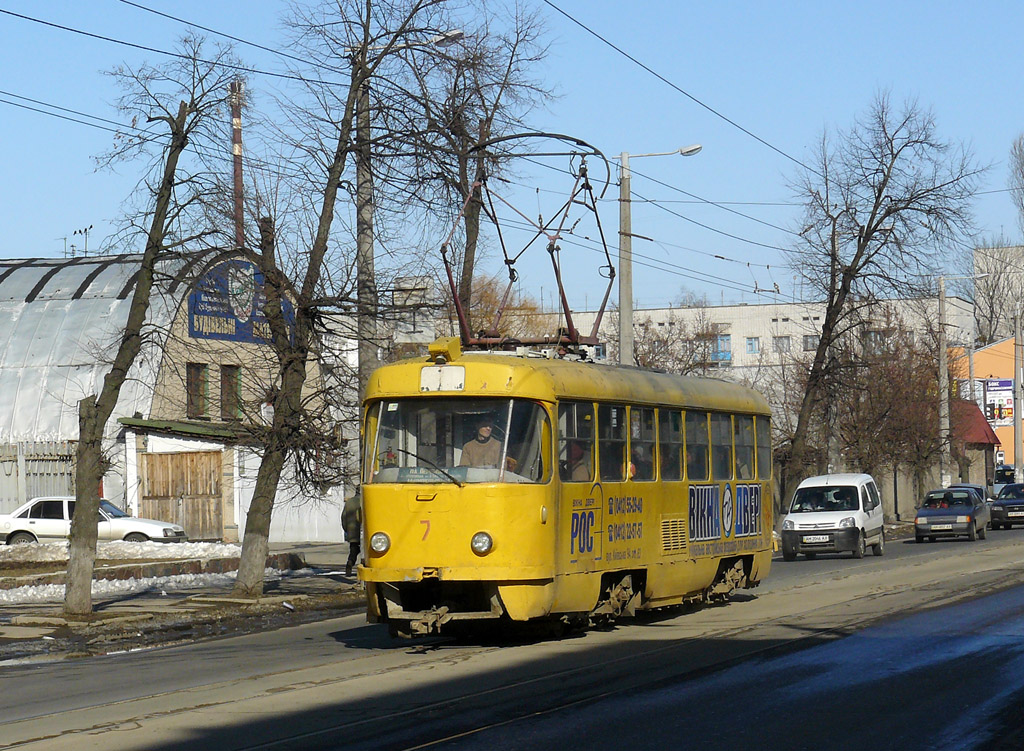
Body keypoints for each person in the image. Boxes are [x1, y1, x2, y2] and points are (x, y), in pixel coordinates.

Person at [342, 490, 362, 577]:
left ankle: (350, 562)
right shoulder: (367, 500)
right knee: (367, 553)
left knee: (353, 551)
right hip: (365, 532)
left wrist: (347, 529)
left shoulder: (349, 502)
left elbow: (343, 517)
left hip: (352, 531)